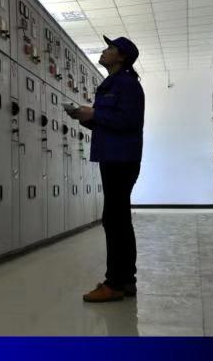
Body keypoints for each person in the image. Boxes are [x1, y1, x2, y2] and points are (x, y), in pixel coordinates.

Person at [66, 36, 145, 303]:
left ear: (121, 57)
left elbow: (129, 121)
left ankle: (115, 283)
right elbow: (110, 121)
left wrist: (95, 114)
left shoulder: (127, 84)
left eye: (110, 48)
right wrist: (85, 117)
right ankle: (126, 281)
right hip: (112, 156)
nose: (104, 50)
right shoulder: (112, 83)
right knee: (118, 218)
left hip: (121, 158)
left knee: (114, 219)